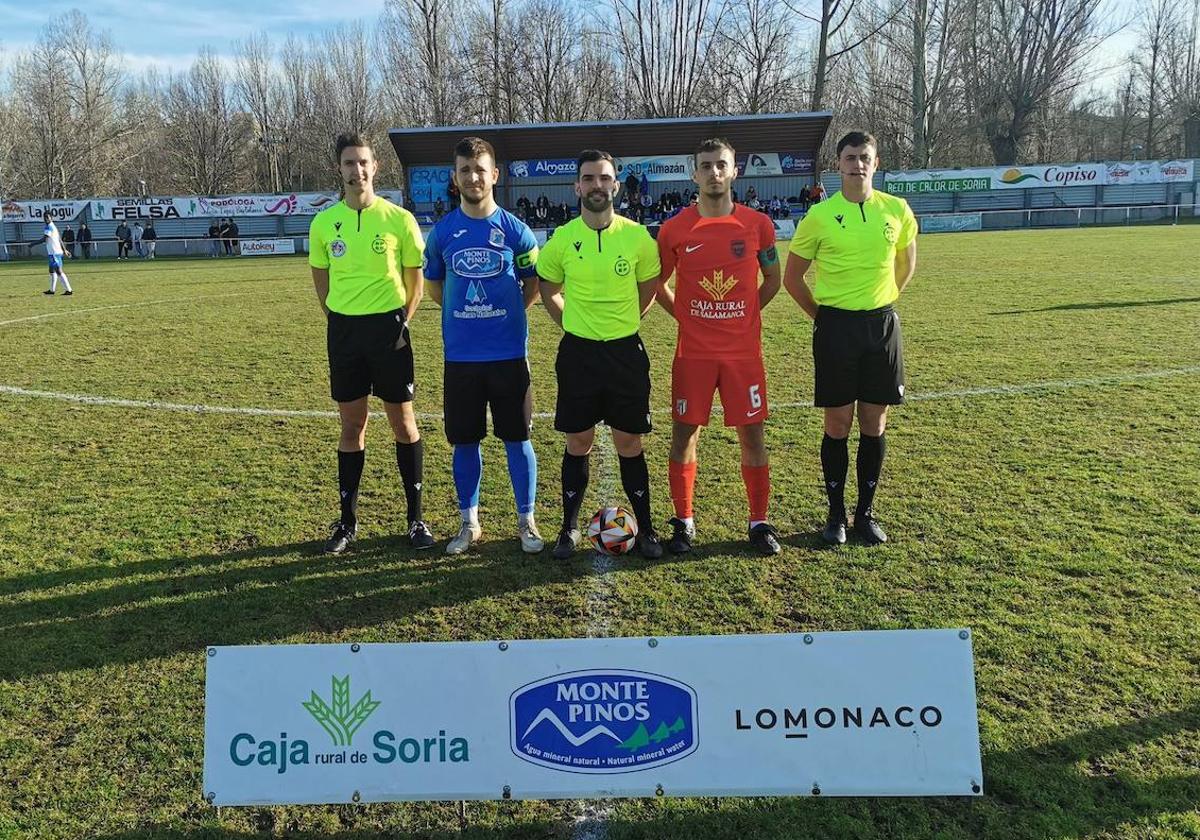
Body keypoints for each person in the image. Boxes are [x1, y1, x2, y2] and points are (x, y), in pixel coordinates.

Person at [783, 130, 918, 546]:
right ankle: (836, 514)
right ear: (837, 164)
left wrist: (879, 302)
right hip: (835, 328)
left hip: (881, 327)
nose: (857, 164)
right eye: (850, 157)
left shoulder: (897, 210)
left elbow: (905, 266)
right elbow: (792, 278)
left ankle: (866, 513)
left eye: (864, 157)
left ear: (876, 163)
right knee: (838, 423)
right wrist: (824, 318)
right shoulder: (819, 216)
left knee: (875, 423)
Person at [308, 132, 435, 554]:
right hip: (345, 334)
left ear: (375, 167)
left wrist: (398, 323)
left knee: (404, 424)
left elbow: (415, 285)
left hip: (390, 332)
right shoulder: (324, 224)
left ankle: (415, 519)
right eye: (349, 163)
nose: (356, 170)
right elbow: (322, 284)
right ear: (339, 169)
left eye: (363, 162)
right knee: (352, 427)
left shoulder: (399, 219)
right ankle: (346, 523)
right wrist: (342, 319)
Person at [655, 138, 782, 556]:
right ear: (694, 174)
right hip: (693, 354)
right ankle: (684, 522)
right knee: (684, 434)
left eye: (721, 165)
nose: (714, 173)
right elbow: (658, 284)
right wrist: (689, 319)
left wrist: (742, 317)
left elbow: (773, 281)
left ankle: (759, 522)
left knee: (753, 435)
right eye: (706, 166)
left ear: (734, 171)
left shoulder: (758, 224)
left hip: (743, 355)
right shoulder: (675, 229)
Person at [537, 149, 663, 559]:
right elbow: (548, 288)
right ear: (577, 186)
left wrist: (626, 321)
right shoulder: (561, 239)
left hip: (626, 352)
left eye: (604, 178)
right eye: (588, 178)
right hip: (579, 355)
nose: (596, 185)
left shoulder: (637, 237)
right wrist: (572, 324)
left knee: (629, 441)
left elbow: (649, 288)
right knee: (579, 440)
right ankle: (568, 528)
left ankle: (646, 529)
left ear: (616, 185)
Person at [423, 136, 544, 555]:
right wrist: (465, 312)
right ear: (455, 178)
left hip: (509, 355)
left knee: (517, 440)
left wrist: (509, 313)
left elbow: (533, 285)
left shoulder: (516, 231)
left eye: (480, 169)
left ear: (494, 174)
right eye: (464, 170)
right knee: (465, 441)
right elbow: (436, 286)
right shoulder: (442, 234)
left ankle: (527, 522)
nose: (473, 177)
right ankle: (469, 522)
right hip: (461, 358)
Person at [38, 212, 74, 295]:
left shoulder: (49, 227)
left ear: (51, 218)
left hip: (54, 252)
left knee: (58, 271)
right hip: (53, 252)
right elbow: (59, 239)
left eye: (47, 217)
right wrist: (64, 250)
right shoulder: (53, 226)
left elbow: (44, 239)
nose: (46, 219)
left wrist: (33, 244)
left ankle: (69, 290)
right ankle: (52, 290)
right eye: (45, 217)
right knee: (51, 270)